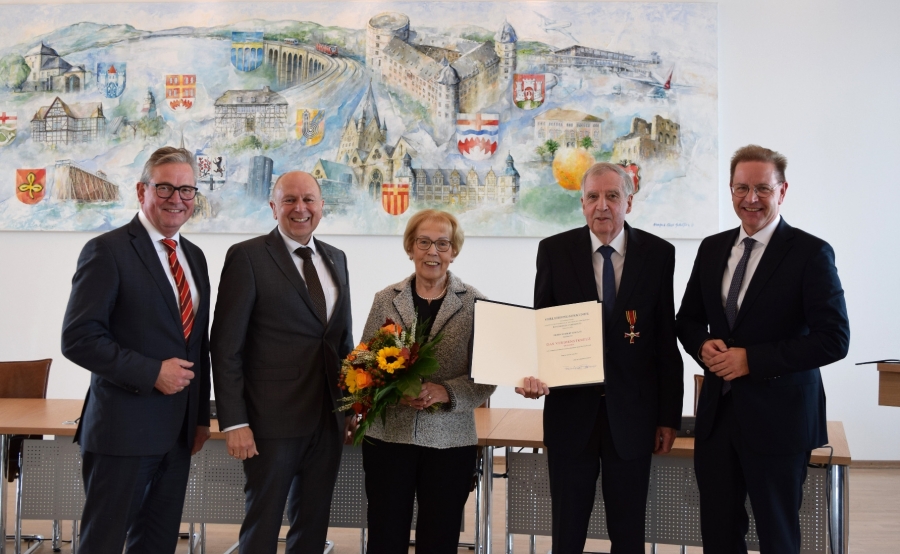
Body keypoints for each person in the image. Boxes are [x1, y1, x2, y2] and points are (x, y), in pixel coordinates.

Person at [676, 145, 850, 553]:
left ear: (782, 191)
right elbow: (685, 320)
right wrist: (703, 345)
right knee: (718, 533)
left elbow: (834, 338)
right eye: (741, 188)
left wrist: (752, 360)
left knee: (778, 534)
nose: (750, 198)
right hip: (718, 418)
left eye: (762, 188)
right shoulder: (712, 248)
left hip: (781, 420)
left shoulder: (811, 253)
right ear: (731, 190)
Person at [516, 162, 683, 553]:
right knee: (568, 531)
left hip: (633, 417)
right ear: (582, 203)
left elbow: (664, 340)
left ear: (629, 202)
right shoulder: (554, 251)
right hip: (571, 415)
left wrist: (668, 416)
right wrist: (531, 374)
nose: (602, 206)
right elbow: (541, 327)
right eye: (593, 197)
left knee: (628, 532)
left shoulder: (659, 255)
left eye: (612, 196)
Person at [61, 146, 211, 553]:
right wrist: (151, 372)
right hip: (122, 432)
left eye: (186, 190)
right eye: (164, 188)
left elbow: (198, 346)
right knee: (104, 543)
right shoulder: (107, 250)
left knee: (157, 544)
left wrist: (200, 419)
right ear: (142, 190)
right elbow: (79, 338)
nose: (176, 199)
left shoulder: (194, 258)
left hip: (177, 436)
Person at [210, 171, 354, 553]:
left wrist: (354, 407)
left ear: (322, 206)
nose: (300, 208)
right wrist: (235, 421)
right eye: (289, 199)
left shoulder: (336, 259)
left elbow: (342, 341)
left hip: (327, 420)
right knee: (262, 526)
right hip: (270, 422)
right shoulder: (248, 257)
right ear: (273, 207)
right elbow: (225, 347)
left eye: (309, 199)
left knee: (312, 525)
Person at [360, 209, 495, 554]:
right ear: (410, 247)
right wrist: (394, 392)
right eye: (423, 242)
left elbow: (488, 376)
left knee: (440, 538)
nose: (432, 252)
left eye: (442, 244)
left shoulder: (476, 303)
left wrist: (445, 391)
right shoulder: (386, 298)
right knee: (385, 536)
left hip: (450, 442)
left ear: (453, 251)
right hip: (389, 438)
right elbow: (364, 364)